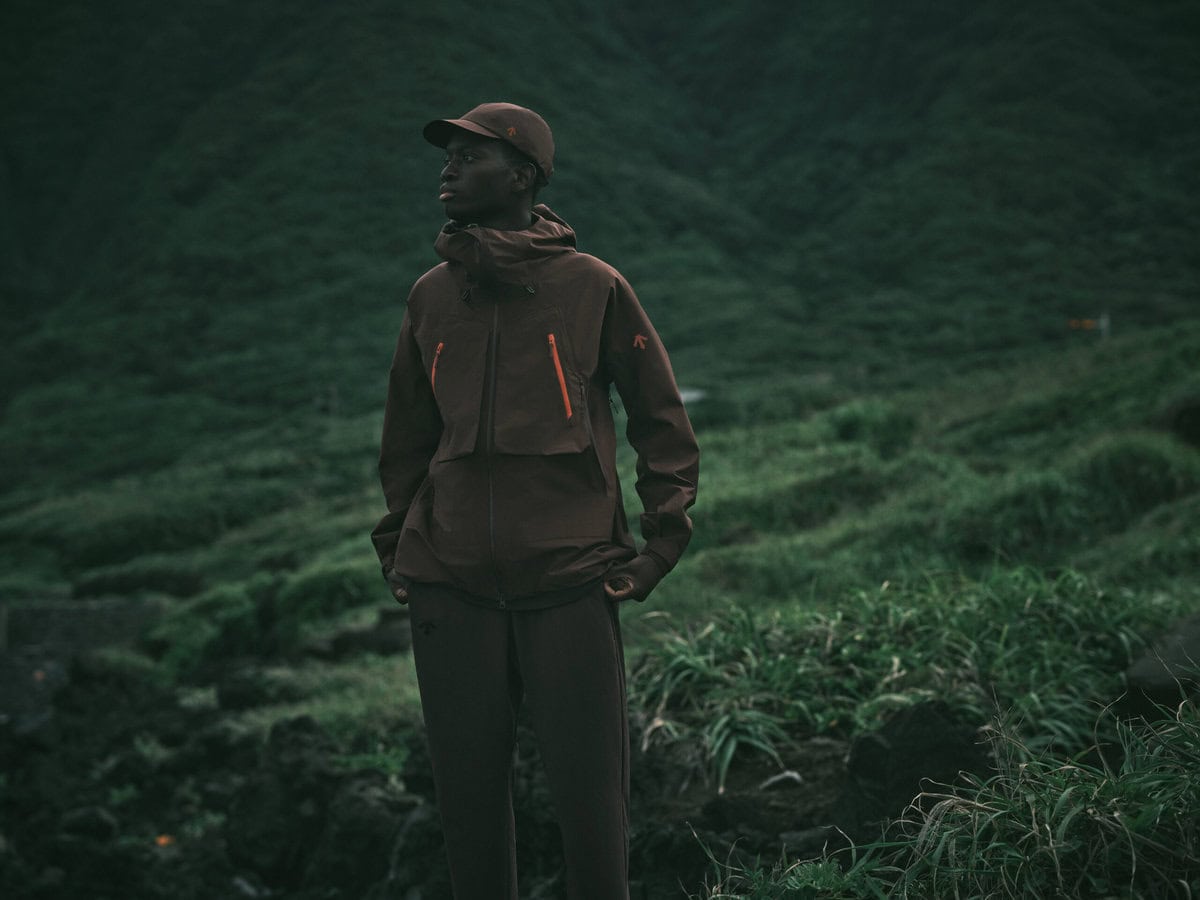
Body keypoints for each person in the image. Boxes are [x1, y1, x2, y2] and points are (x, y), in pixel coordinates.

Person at [370, 101, 699, 900]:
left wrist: (660, 546)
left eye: (470, 155)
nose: (448, 167)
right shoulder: (430, 296)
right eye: (446, 155)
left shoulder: (593, 287)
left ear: (522, 176)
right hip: (448, 582)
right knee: (467, 810)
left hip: (570, 578)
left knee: (592, 805)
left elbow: (660, 419)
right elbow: (407, 437)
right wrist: (398, 547)